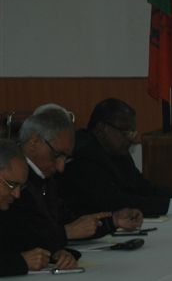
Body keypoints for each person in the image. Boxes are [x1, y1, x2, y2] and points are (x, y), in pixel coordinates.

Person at [0, 110, 135, 258]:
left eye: (66, 158)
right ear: (34, 142)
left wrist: (111, 221)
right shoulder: (11, 181)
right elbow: (17, 237)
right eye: (57, 155)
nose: (61, 167)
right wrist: (66, 233)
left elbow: (65, 220)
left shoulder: (45, 178)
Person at [60, 99, 172, 217]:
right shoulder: (83, 155)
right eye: (126, 132)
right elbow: (116, 202)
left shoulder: (115, 149)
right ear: (101, 129)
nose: (133, 139)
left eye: (132, 132)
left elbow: (142, 187)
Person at [0, 139, 75, 275]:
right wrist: (20, 262)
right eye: (11, 184)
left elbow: (23, 240)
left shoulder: (6, 211)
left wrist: (54, 254)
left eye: (21, 187)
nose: (17, 195)